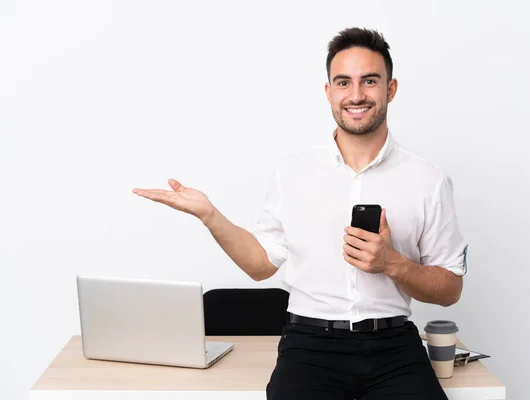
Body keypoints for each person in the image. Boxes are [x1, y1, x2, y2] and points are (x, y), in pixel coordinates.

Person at [133, 27, 468, 399]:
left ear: (390, 89)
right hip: (310, 347)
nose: (356, 95)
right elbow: (261, 265)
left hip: (394, 347)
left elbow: (450, 288)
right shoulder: (292, 172)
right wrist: (210, 215)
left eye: (369, 81)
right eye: (343, 82)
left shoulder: (428, 180)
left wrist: (393, 264)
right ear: (329, 92)